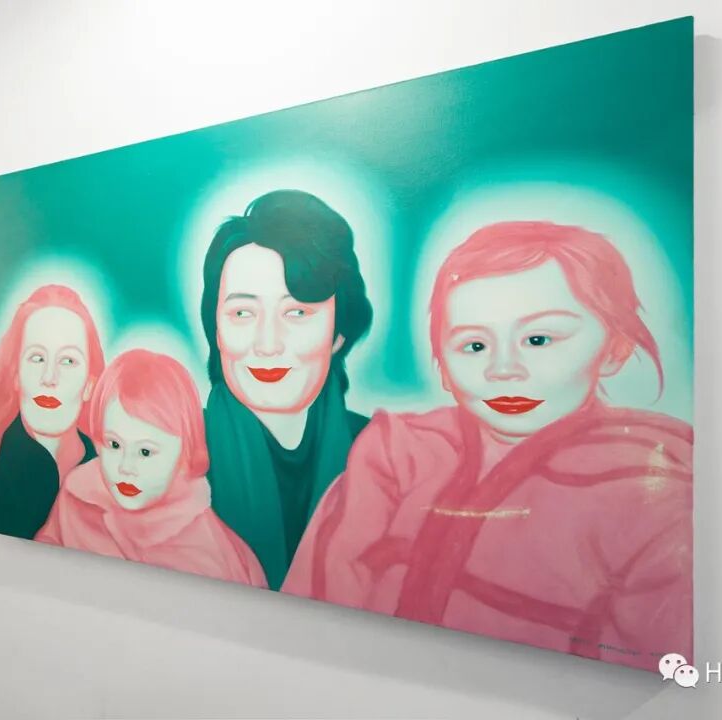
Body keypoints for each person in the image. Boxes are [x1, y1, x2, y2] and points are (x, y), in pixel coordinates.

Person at [283, 221, 693, 672]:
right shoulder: (399, 453)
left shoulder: (653, 492)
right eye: (474, 345)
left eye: (538, 339)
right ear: (443, 367)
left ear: (615, 347)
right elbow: (314, 605)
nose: (503, 369)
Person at [199, 189, 374, 590]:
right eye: (242, 312)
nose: (267, 344)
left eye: (296, 312)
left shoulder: (387, 455)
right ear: (217, 329)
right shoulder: (170, 450)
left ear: (338, 332)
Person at [36, 349, 267, 587]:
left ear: (184, 451)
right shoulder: (76, 497)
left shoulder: (211, 553)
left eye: (145, 452)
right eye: (114, 444)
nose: (125, 467)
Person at [0, 284, 105, 540]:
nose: (49, 377)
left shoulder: (109, 473)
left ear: (89, 385)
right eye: (37, 358)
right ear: (16, 375)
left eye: (68, 361)